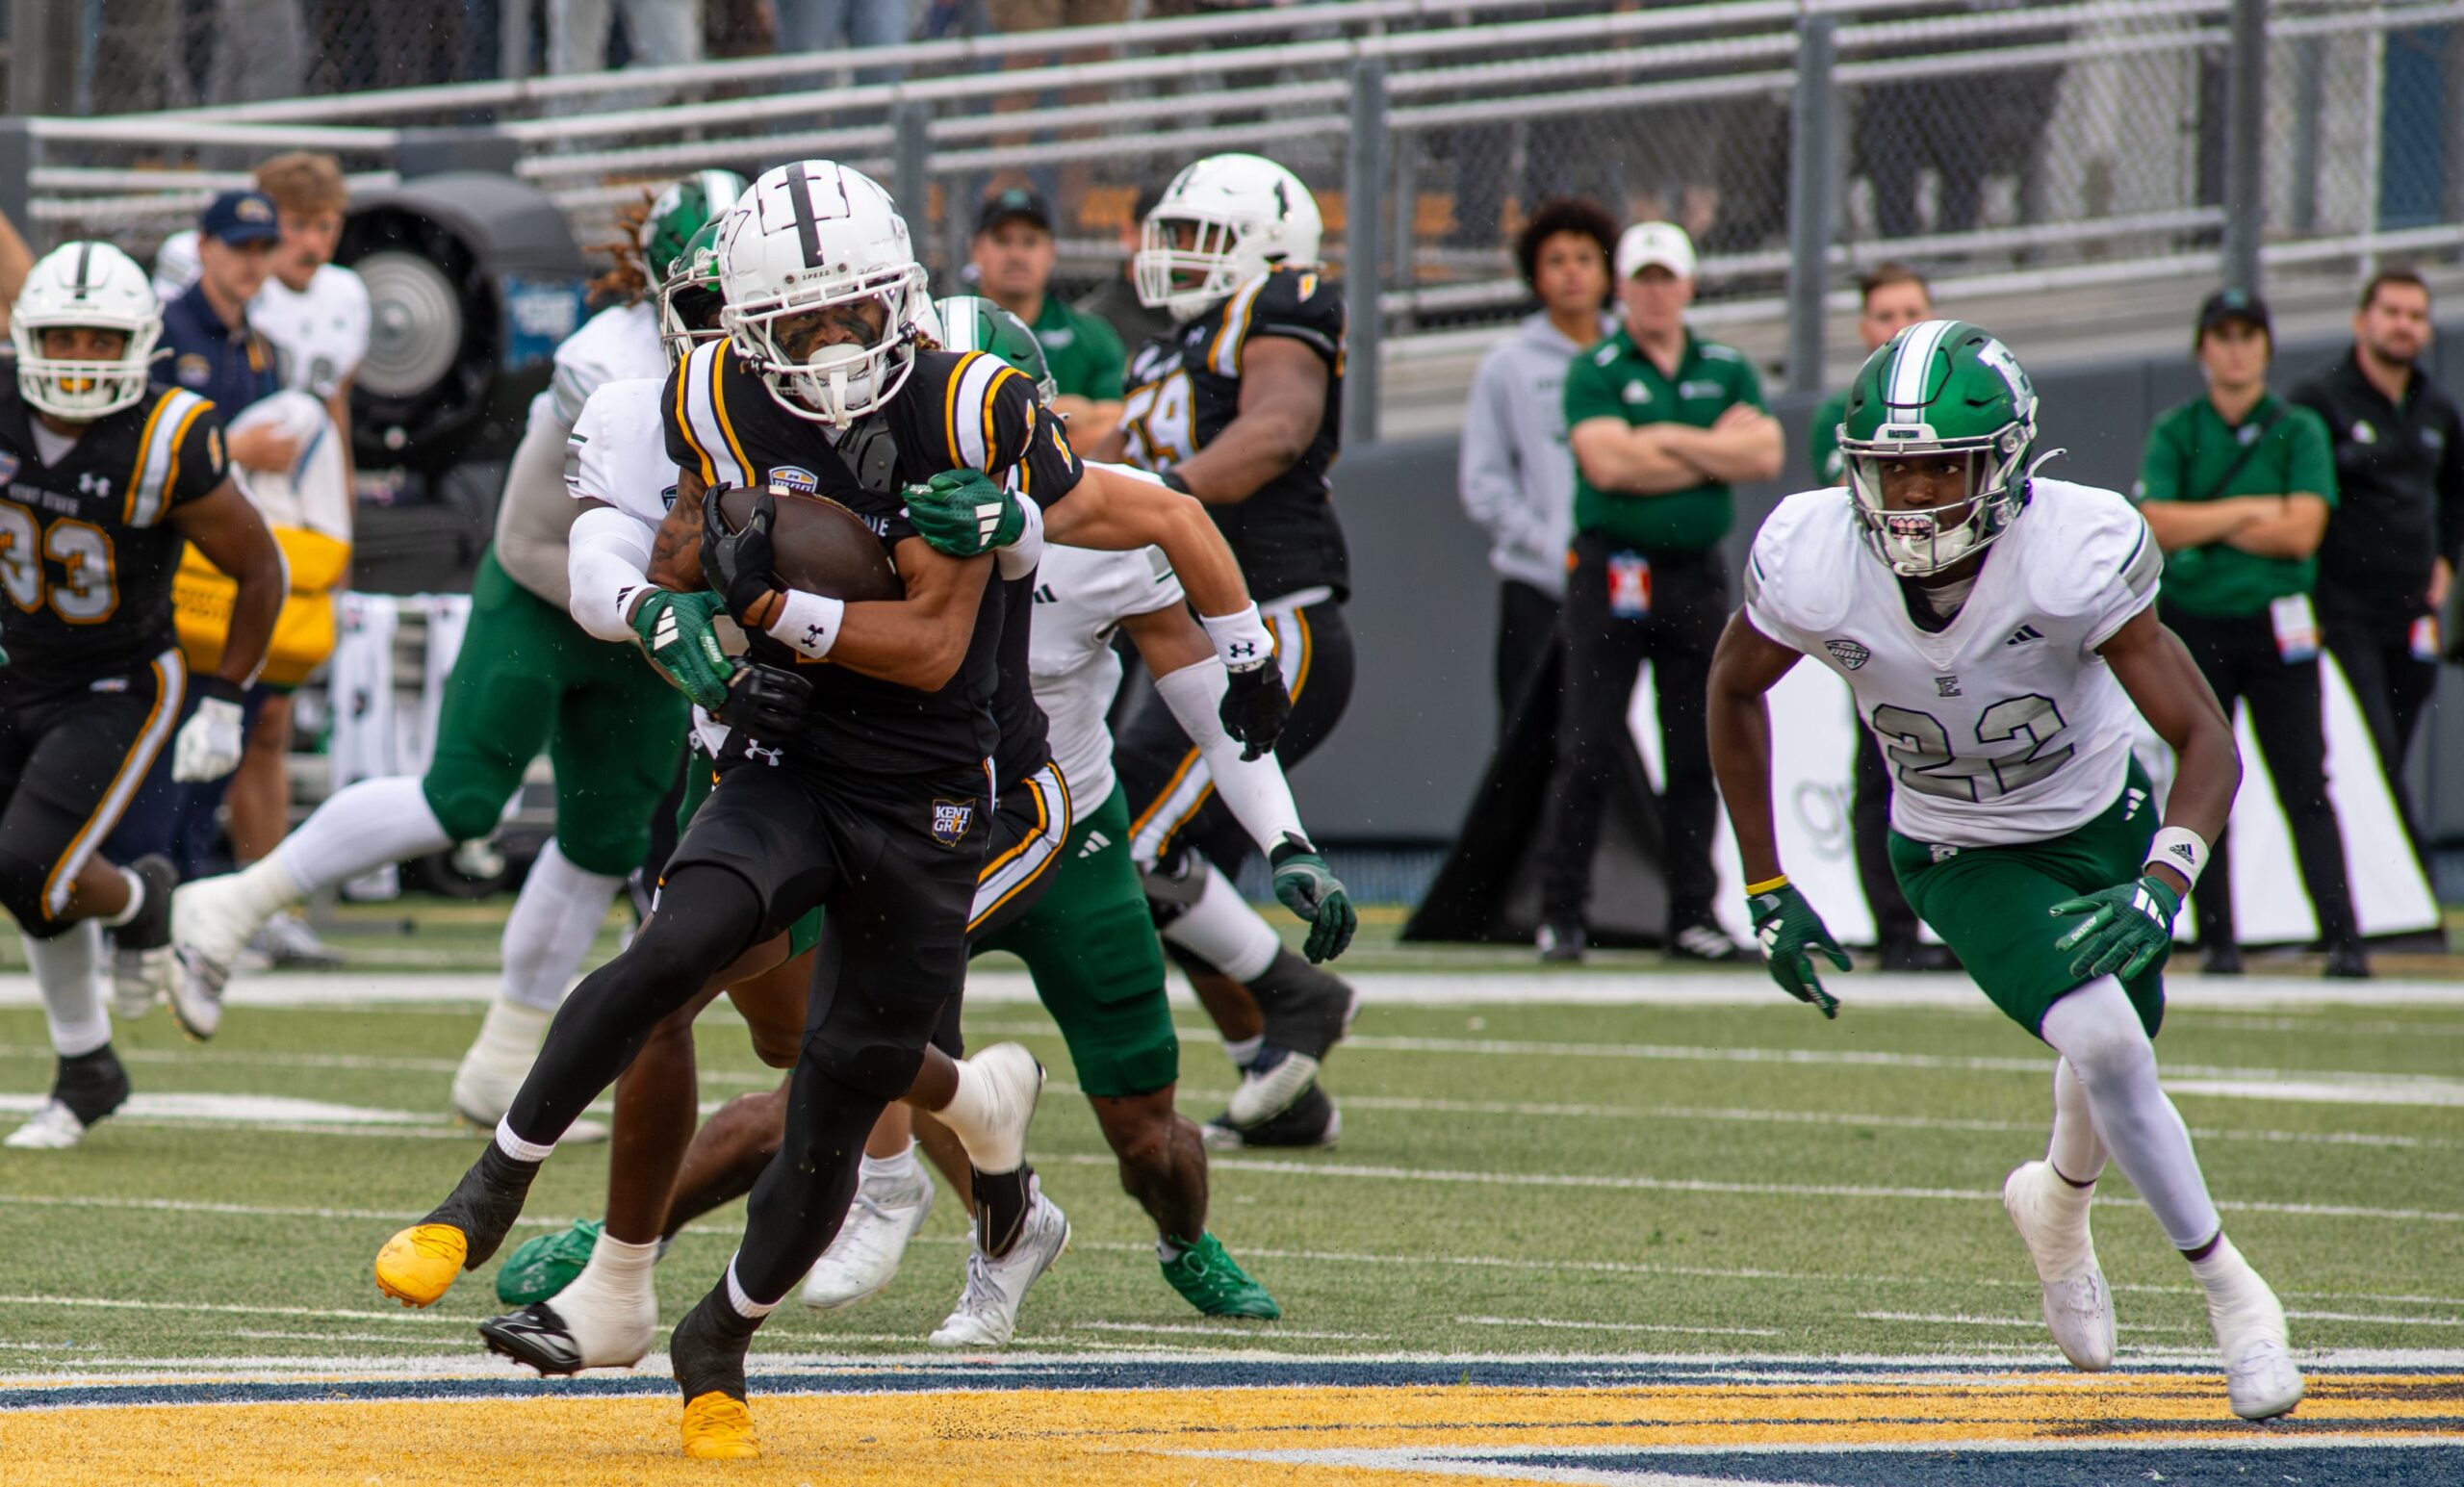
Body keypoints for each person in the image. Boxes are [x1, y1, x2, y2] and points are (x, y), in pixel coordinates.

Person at [369, 161, 1296, 1460]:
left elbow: (939, 640)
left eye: (856, 312)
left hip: (934, 784)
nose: (832, 344)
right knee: (670, 953)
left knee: (839, 1089)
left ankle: (722, 1339)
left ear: (903, 299)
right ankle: (488, 1194)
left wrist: (1231, 646)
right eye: (799, 323)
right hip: (780, 755)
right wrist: (661, 604)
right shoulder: (693, 392)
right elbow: (615, 548)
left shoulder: (969, 401)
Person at [487, 308, 1341, 1360]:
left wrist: (1284, 824)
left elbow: (1188, 613)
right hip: (906, 812)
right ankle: (638, 1248)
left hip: (1053, 827)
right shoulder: (841, 492)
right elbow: (638, 563)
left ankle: (1167, 1236)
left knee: (1136, 1126)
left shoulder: (1078, 522)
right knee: (832, 1047)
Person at [1708, 317, 2304, 1424]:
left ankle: (2059, 1205)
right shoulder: (1813, 554)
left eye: (1942, 465)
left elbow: (2204, 739)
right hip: (1958, 845)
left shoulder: (2074, 549)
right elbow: (1730, 687)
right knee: (2104, 1037)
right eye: (1891, 471)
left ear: (2007, 464)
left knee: (2109, 1042)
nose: (1917, 495)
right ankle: (2234, 1297)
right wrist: (1764, 884)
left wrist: (2165, 874)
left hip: (2102, 816)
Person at [168, 173, 748, 1116]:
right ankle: (234, 902)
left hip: (655, 616)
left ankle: (506, 1057)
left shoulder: (786, 369)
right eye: (712, 297)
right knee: (464, 798)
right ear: (657, 283)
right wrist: (649, 610)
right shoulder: (607, 364)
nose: (735, 320)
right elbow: (525, 539)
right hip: (547, 595)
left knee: (603, 841)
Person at [1097, 153, 1364, 1147]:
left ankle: (1299, 1001)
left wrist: (1157, 508)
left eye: (1200, 237)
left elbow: (1277, 431)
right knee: (1177, 868)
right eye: (1169, 235)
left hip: (1271, 625)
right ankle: (1276, 1079)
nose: (1173, 258)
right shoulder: (1167, 353)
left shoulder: (1283, 306)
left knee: (1125, 839)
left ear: (1266, 245)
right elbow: (1107, 456)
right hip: (1195, 632)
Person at [1, 243, 285, 1145]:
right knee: (25, 874)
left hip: (118, 677)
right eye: (62, 337)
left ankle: (135, 914)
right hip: (17, 659)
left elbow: (260, 570)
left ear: (139, 344)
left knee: (27, 861)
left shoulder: (168, 436)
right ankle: (93, 1048)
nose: (79, 356)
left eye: (100, 339)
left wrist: (227, 697)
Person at [1533, 220, 1782, 964]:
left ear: (1687, 285)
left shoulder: (1726, 364)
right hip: (1611, 569)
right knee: (1588, 740)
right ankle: (1563, 910)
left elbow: (1764, 452)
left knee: (1699, 742)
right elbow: (1608, 466)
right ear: (1623, 287)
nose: (1653, 292)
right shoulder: (1597, 365)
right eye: (1640, 278)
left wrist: (1660, 440)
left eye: (1664, 278)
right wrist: (1709, 448)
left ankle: (1693, 913)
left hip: (1694, 572)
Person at [149, 155, 371, 970]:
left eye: (258, 246)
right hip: (175, 565)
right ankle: (159, 895)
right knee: (175, 723)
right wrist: (231, 447)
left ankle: (215, 895)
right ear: (204, 248)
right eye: (236, 246)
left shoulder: (263, 348)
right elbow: (147, 439)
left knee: (233, 726)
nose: (250, 261)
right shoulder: (167, 332)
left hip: (242, 567)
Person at [2138, 289, 2365, 979]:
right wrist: (2248, 510)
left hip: (2276, 627)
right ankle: (2218, 940)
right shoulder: (2178, 428)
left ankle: (2344, 940)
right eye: (2222, 335)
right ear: (2202, 348)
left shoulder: (2298, 428)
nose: (2236, 349)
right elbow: (2155, 524)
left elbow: (2302, 532)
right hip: (2195, 623)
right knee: (2205, 773)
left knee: (2305, 779)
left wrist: (2205, 519)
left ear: (2266, 346)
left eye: (2248, 335)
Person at [2290, 268, 2464, 871]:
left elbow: (2455, 495)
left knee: (2396, 744)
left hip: (2412, 613)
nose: (2404, 326)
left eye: (2416, 316)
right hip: (2342, 611)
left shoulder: (2437, 407)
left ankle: (2378, 889)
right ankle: (2401, 880)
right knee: (2370, 748)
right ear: (2362, 320)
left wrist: (2447, 561)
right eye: (2392, 312)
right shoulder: (2319, 398)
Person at [1810, 262, 1951, 972]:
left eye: (1912, 311)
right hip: (1882, 612)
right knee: (1883, 764)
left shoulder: (1965, 405)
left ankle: (1966, 921)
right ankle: (1896, 928)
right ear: (1865, 328)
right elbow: (1851, 504)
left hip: (1971, 608)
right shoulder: (1846, 413)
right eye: (1885, 314)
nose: (1899, 326)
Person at [1457, 197, 1616, 727]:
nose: (1572, 272)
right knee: (1530, 741)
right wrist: (1549, 544)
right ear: (1534, 275)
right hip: (1536, 588)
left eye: (1584, 258)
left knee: (1617, 743)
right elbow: (1484, 482)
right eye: (1556, 260)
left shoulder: (1634, 355)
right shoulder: (1507, 365)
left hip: (1626, 583)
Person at [970, 187, 1128, 449]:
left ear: (1051, 251)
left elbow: (1118, 425)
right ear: (975, 250)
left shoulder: (1092, 335)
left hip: (1072, 486)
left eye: (1030, 242)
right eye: (1002, 240)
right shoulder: (947, 326)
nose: (1016, 255)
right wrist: (1061, 411)